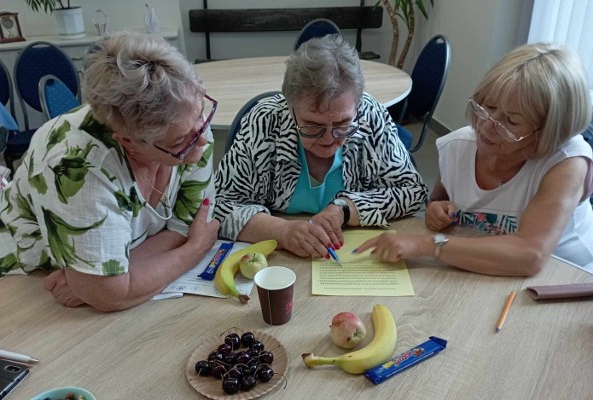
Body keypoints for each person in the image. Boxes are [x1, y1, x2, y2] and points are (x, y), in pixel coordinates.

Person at [0, 31, 220, 311]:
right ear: (127, 141)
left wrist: (106, 277)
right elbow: (111, 294)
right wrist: (194, 250)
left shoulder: (188, 122)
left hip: (96, 269)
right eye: (179, 142)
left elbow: (185, 226)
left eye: (202, 112)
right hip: (34, 278)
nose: (202, 139)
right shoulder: (73, 164)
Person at [355, 43, 593, 275]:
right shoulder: (459, 146)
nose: (486, 126)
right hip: (482, 269)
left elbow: (531, 255)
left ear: (549, 130)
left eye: (511, 121)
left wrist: (428, 244)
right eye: (488, 106)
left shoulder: (568, 163)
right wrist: (437, 212)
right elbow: (439, 205)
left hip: (565, 279)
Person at [214, 34, 427, 259]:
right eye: (312, 126)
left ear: (357, 105)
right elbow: (217, 205)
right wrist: (281, 231)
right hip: (279, 259)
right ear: (290, 106)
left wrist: (346, 209)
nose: (328, 139)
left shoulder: (370, 116)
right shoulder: (263, 121)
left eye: (343, 124)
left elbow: (412, 191)